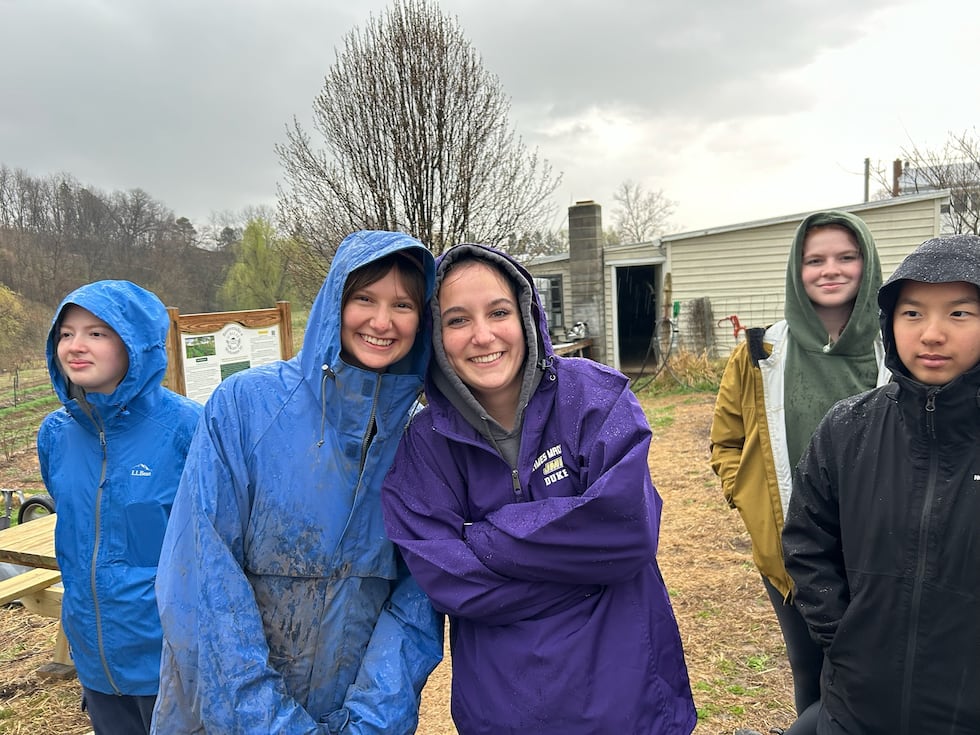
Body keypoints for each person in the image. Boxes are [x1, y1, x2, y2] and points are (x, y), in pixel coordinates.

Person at [381, 243, 696, 735]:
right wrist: (588, 576)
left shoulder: (597, 399)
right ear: (436, 337)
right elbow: (447, 581)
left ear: (527, 314)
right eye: (457, 320)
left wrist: (482, 538)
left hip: (626, 698)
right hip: (506, 710)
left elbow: (627, 530)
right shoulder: (424, 447)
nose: (482, 336)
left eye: (498, 312)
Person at [151, 230, 443, 734]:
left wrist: (369, 722)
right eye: (364, 299)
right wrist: (270, 723)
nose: (382, 321)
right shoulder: (244, 406)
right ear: (335, 303)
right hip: (222, 714)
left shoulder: (420, 440)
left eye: (403, 304)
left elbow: (417, 597)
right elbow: (204, 576)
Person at [782, 233, 980, 733]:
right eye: (912, 313)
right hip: (857, 705)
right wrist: (846, 639)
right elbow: (808, 541)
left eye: (960, 313)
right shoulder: (850, 428)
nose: (932, 334)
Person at [709, 211, 888, 734]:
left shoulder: (893, 347)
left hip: (876, 552)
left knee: (867, 678)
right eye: (815, 260)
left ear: (867, 263)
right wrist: (749, 502)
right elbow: (726, 439)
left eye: (845, 257)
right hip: (792, 552)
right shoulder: (763, 351)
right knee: (811, 674)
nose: (830, 270)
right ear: (797, 269)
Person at [37, 280, 203, 735]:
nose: (75, 346)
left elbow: (215, 544)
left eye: (96, 332)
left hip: (168, 657)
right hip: (93, 652)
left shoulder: (188, 428)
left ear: (137, 344)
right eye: (65, 333)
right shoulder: (56, 434)